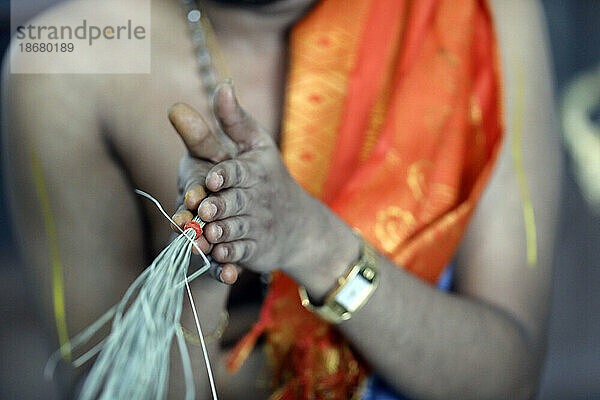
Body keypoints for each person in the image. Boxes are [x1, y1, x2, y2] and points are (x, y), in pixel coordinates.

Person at [2, 0, 561, 399]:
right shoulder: (69, 59)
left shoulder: (474, 14)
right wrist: (207, 246)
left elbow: (508, 378)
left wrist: (311, 239)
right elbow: (106, 391)